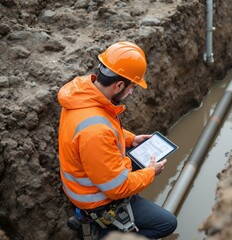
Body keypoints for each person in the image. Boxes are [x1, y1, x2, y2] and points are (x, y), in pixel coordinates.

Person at [57, 41, 177, 239]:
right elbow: (117, 188)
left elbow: (103, 128)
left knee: (139, 158)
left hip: (90, 175)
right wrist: (150, 173)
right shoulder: (96, 132)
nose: (131, 92)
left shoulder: (83, 94)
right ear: (119, 84)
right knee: (167, 224)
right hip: (96, 200)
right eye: (132, 87)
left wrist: (131, 140)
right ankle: (107, 231)